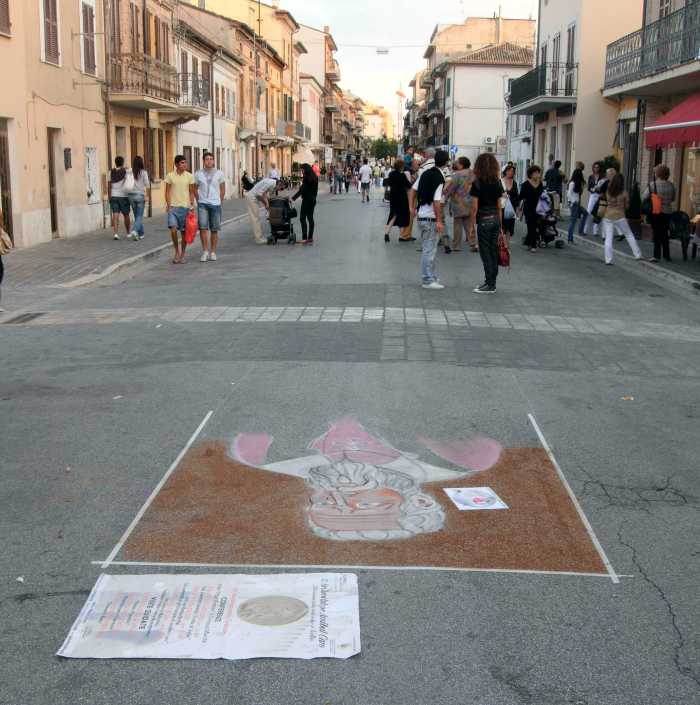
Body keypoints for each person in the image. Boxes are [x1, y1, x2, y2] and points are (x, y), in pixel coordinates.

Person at [409, 149, 449, 290]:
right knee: (429, 250)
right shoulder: (439, 177)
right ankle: (427, 279)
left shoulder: (425, 173)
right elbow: (437, 200)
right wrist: (439, 220)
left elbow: (413, 190)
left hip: (421, 215)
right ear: (446, 162)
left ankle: (431, 276)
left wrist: (411, 207)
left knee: (429, 249)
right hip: (431, 218)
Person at [470, 153, 505, 294]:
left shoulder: (477, 183)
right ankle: (492, 282)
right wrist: (500, 225)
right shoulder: (497, 182)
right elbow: (499, 205)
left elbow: (474, 207)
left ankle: (489, 284)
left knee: (485, 253)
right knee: (493, 251)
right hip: (495, 218)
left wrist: (473, 225)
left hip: (483, 219)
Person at [601, 172, 642, 265]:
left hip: (608, 215)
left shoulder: (608, 191)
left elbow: (607, 201)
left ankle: (608, 259)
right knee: (629, 235)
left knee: (608, 238)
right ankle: (637, 254)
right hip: (620, 216)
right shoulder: (624, 193)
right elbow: (627, 206)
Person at [194, 152, 226, 262]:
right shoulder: (198, 174)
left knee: (214, 228)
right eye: (207, 159)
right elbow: (194, 188)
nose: (209, 161)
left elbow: (222, 189)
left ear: (213, 161)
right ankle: (205, 251)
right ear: (203, 161)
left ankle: (213, 252)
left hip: (215, 204)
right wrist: (198, 200)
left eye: (211, 159)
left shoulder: (219, 173)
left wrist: (220, 201)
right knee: (203, 228)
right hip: (203, 203)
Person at [164, 155, 196, 264]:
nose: (185, 164)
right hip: (173, 208)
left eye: (185, 163)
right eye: (182, 163)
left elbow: (191, 192)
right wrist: (168, 205)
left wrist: (191, 206)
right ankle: (176, 251)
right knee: (173, 230)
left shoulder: (189, 176)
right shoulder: (170, 176)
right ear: (176, 164)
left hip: (185, 208)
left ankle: (182, 254)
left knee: (183, 233)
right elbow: (167, 192)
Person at [643, 164, 676, 262]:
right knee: (665, 233)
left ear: (657, 173)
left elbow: (644, 197)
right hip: (667, 212)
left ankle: (656, 256)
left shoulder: (653, 184)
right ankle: (667, 255)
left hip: (656, 211)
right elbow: (673, 198)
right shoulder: (671, 185)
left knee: (657, 234)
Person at [443, 157, 474, 252]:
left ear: (461, 165)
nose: (456, 164)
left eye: (457, 163)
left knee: (457, 224)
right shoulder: (473, 174)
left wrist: (445, 197)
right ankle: (473, 243)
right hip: (471, 201)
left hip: (458, 201)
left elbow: (452, 188)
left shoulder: (457, 174)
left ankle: (456, 245)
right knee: (469, 224)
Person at [384, 159, 412, 243]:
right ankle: (401, 236)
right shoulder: (402, 175)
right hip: (402, 197)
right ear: (401, 167)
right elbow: (409, 185)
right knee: (403, 216)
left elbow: (389, 183)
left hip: (393, 197)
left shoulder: (391, 174)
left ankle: (387, 232)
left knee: (394, 215)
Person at [519, 165, 544, 252]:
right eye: (535, 173)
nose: (537, 175)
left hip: (538, 208)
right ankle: (533, 245)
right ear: (531, 174)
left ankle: (528, 242)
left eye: (538, 173)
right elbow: (521, 196)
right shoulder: (525, 184)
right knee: (531, 226)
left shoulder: (540, 184)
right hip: (528, 208)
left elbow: (542, 195)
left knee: (535, 226)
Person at [245, 175, 278, 243]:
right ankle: (258, 239)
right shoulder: (270, 183)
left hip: (253, 197)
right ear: (280, 184)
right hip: (252, 198)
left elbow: (264, 194)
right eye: (281, 188)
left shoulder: (271, 182)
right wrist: (265, 204)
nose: (278, 190)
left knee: (256, 218)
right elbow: (259, 194)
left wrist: (267, 203)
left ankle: (258, 236)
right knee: (255, 218)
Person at [292, 163, 319, 245]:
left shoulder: (307, 178)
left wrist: (293, 198)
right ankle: (310, 237)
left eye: (302, 170)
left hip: (307, 200)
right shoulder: (314, 177)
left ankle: (304, 238)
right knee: (310, 218)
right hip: (313, 200)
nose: (302, 171)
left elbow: (302, 190)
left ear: (306, 169)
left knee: (302, 218)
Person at [127, 155, 150, 241]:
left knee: (137, 216)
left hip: (130, 196)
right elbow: (147, 185)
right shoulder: (143, 172)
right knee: (139, 216)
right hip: (140, 195)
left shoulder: (129, 172)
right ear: (141, 163)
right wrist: (147, 196)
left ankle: (141, 234)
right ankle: (134, 230)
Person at [108, 156, 131, 240]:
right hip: (124, 196)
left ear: (115, 162)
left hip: (114, 195)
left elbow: (109, 185)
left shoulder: (110, 172)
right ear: (122, 163)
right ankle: (128, 232)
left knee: (115, 214)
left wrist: (109, 196)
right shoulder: (126, 171)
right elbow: (129, 180)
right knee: (126, 215)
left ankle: (115, 233)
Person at [583, 162, 607, 236]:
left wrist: (601, 192)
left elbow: (605, 187)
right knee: (589, 212)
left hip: (600, 196)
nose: (596, 168)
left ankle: (595, 231)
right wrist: (592, 190)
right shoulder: (591, 176)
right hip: (593, 195)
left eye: (597, 167)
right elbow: (589, 187)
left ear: (600, 168)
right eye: (595, 167)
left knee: (599, 213)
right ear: (593, 168)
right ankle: (585, 230)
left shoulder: (603, 177)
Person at [500, 163, 519, 246]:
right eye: (509, 171)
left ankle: (507, 243)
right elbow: (495, 194)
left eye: (512, 171)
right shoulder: (500, 181)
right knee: (502, 226)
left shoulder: (514, 183)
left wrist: (518, 208)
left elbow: (516, 195)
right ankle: (503, 243)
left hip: (511, 208)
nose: (510, 172)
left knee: (510, 226)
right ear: (505, 171)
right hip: (502, 207)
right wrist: (501, 195)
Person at [567, 161, 586, 242]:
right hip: (574, 203)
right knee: (573, 220)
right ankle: (570, 238)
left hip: (576, 203)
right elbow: (568, 194)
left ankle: (580, 230)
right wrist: (571, 202)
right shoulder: (572, 183)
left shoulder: (578, 184)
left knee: (585, 213)